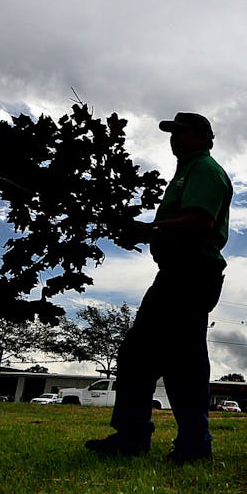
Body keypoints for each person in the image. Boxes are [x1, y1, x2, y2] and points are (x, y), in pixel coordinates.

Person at [85, 111, 232, 464]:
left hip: (192, 273)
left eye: (181, 133)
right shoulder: (186, 172)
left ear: (203, 137)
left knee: (183, 360)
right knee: (140, 356)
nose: (174, 138)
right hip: (177, 273)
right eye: (172, 133)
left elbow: (199, 220)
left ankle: (193, 445)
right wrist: (148, 232)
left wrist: (149, 230)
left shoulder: (205, 170)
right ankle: (134, 436)